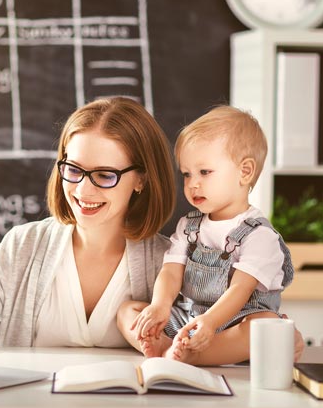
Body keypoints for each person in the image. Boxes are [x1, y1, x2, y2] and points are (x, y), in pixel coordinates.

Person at [0, 96, 177, 354]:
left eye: (104, 175)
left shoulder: (168, 263)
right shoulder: (25, 245)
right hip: (29, 396)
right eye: (73, 169)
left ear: (141, 180)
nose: (83, 189)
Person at [117, 105, 296, 366]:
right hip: (189, 318)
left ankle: (192, 355)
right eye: (187, 174)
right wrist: (160, 306)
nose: (192, 184)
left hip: (232, 323)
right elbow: (171, 271)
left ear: (244, 172)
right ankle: (168, 344)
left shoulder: (260, 236)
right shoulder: (189, 226)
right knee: (127, 311)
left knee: (266, 324)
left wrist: (210, 323)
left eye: (205, 172)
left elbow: (240, 289)